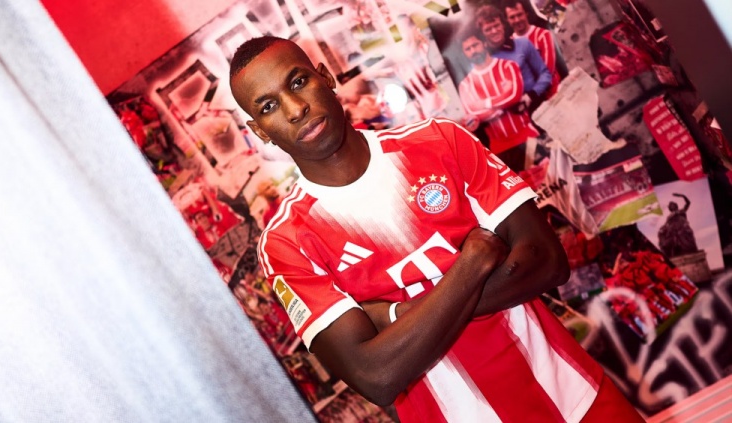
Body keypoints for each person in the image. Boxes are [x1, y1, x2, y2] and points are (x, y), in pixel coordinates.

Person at [229, 36, 644, 422]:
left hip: (575, 398)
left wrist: (394, 318)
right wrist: (473, 263)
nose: (294, 109)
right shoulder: (285, 242)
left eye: (298, 82)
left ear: (325, 77)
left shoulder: (439, 140)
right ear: (260, 131)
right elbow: (377, 377)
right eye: (268, 107)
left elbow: (546, 262)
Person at [457, 26, 539, 156]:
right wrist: (503, 103)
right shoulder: (465, 85)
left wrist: (485, 103)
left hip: (527, 136)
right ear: (464, 54)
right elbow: (473, 116)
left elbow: (514, 95)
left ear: (484, 43)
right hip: (499, 147)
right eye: (468, 49)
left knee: (545, 169)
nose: (473, 51)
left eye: (475, 45)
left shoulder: (508, 66)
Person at [476, 4, 552, 114]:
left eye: (496, 25)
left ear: (503, 25)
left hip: (537, 105)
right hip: (509, 115)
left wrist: (531, 95)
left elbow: (545, 74)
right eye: (488, 29)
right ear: (482, 33)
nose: (494, 31)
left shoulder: (522, 44)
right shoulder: (483, 60)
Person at [503, 0, 562, 99]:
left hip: (552, 93)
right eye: (512, 17)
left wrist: (532, 94)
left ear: (526, 13)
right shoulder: (509, 46)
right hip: (528, 99)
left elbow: (548, 70)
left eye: (520, 14)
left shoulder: (543, 35)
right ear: (507, 20)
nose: (517, 20)